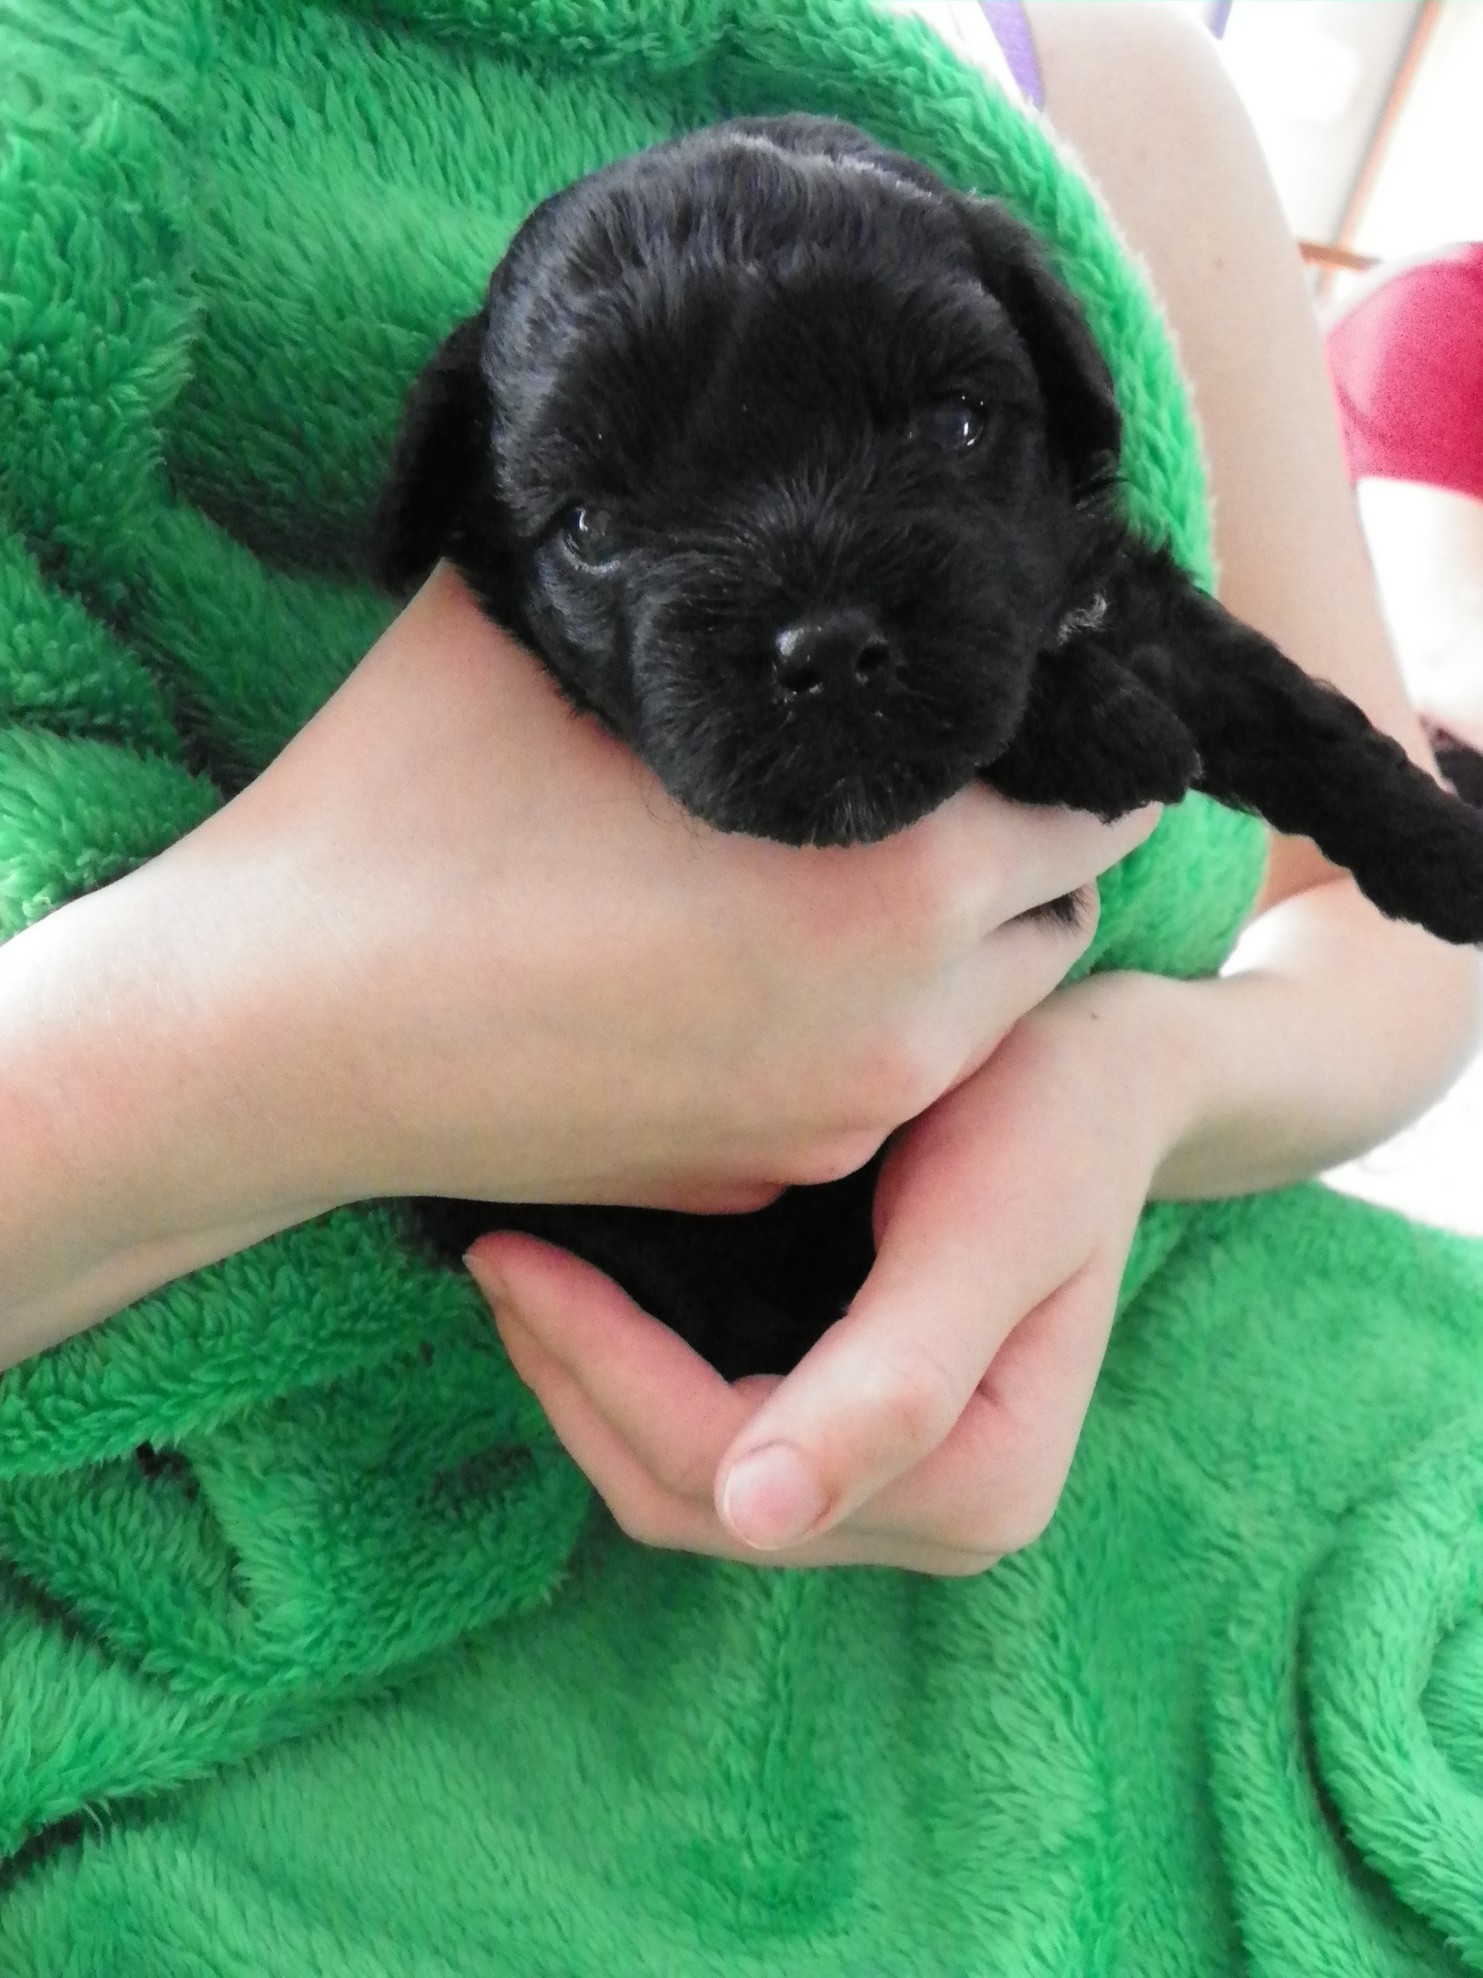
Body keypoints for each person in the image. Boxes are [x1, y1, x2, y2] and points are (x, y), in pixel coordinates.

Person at [0, 3, 1480, 1967]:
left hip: (1175, 1398)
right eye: (603, 525)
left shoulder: (1111, 80)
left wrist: (1132, 1085)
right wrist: (286, 1028)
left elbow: (1372, 911)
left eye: (953, 430)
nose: (822, 618)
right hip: (311, 1642)